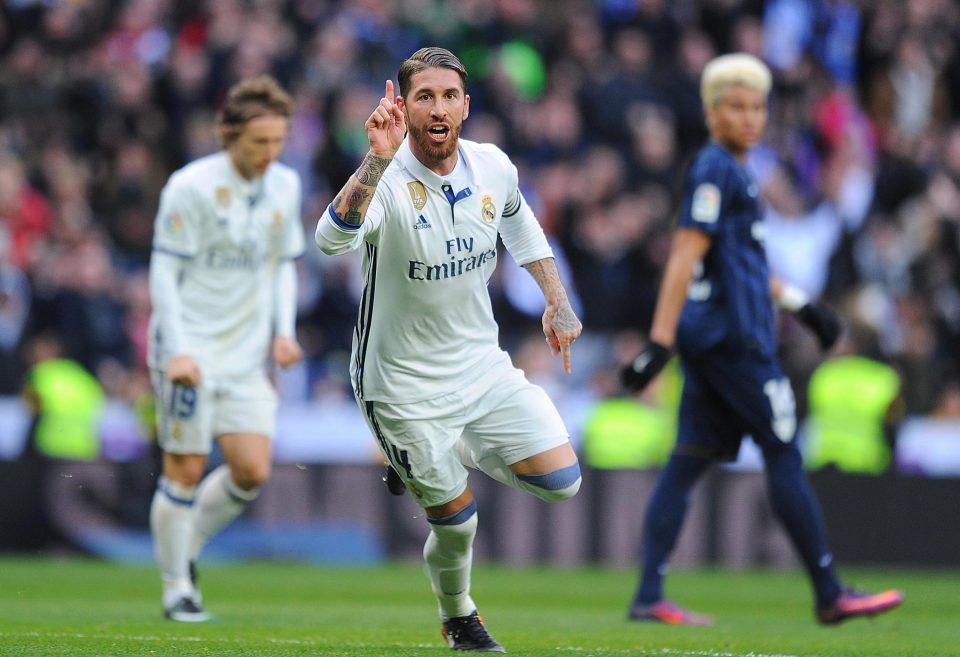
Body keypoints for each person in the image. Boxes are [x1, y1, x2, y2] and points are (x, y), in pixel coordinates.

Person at [619, 53, 904, 626]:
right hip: (735, 342)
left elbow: (745, 264)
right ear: (711, 111)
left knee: (687, 460)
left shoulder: (734, 172)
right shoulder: (716, 169)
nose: (749, 117)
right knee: (781, 451)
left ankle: (649, 594)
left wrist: (803, 306)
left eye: (756, 107)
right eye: (736, 106)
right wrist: (658, 341)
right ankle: (829, 591)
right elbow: (686, 253)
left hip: (717, 339)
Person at [315, 47, 582, 652]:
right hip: (400, 384)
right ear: (403, 107)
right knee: (459, 523)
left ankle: (444, 445)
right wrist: (373, 163)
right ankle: (459, 614)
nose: (438, 108)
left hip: (480, 367)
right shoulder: (386, 180)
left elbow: (519, 222)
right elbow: (329, 239)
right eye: (424, 96)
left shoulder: (492, 166)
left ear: (466, 105)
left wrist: (555, 300)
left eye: (448, 96)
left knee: (563, 480)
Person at [147, 75, 304, 622]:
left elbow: (283, 265)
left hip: (244, 357)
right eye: (258, 142)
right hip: (187, 349)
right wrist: (178, 351)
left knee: (252, 469)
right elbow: (164, 272)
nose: (270, 153)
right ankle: (176, 590)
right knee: (185, 469)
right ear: (229, 134)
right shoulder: (190, 187)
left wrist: (284, 332)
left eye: (278, 141)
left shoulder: (285, 185)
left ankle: (185, 548)